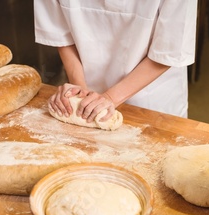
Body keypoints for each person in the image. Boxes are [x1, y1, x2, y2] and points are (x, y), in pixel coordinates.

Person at [34, 0, 198, 123]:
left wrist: (110, 98)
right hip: (88, 82)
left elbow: (169, 49)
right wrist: (80, 91)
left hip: (151, 99)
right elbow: (60, 33)